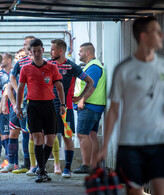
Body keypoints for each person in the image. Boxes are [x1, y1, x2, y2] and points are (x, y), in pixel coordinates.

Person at [96, 16, 164, 195]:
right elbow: (113, 110)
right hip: (130, 145)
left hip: (159, 142)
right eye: (156, 32)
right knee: (134, 192)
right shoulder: (123, 69)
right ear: (143, 36)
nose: (161, 35)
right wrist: (104, 147)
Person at [16, 38, 65, 183]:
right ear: (30, 52)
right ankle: (42, 172)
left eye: (39, 51)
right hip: (33, 106)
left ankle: (40, 167)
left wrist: (62, 104)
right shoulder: (25, 68)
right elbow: (20, 89)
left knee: (50, 138)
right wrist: (18, 107)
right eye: (34, 51)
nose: (36, 53)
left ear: (43, 50)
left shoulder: (51, 67)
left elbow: (59, 87)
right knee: (37, 138)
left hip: (49, 105)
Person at [49, 39, 94, 178]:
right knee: (48, 136)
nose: (50, 52)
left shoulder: (71, 66)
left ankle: (67, 168)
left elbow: (90, 82)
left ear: (60, 51)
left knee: (67, 136)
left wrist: (80, 96)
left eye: (52, 49)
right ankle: (41, 168)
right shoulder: (48, 65)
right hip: (49, 106)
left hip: (66, 107)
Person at [72, 42, 106, 174]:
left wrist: (82, 100)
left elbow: (92, 87)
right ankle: (93, 165)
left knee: (81, 134)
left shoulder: (93, 67)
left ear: (87, 52)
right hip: (95, 106)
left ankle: (86, 165)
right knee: (92, 135)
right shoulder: (93, 65)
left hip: (89, 106)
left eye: (80, 52)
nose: (79, 54)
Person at [7, 36, 35, 174]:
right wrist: (18, 90)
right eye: (23, 44)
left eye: (26, 44)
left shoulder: (44, 61)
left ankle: (35, 164)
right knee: (23, 132)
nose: (24, 46)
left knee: (35, 133)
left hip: (38, 101)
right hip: (23, 103)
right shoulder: (21, 61)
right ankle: (24, 163)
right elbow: (11, 78)